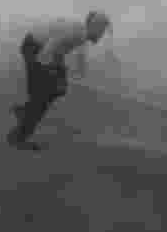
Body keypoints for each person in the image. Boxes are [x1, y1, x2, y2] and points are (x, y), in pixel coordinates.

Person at [8, 11, 112, 150]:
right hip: (35, 48)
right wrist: (46, 70)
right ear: (95, 27)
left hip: (37, 46)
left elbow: (62, 49)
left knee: (56, 88)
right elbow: (52, 45)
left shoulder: (81, 33)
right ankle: (18, 137)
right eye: (102, 31)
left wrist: (60, 69)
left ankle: (26, 111)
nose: (102, 35)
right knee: (43, 97)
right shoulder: (78, 32)